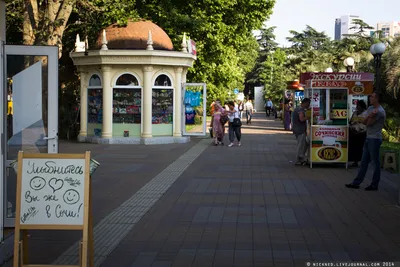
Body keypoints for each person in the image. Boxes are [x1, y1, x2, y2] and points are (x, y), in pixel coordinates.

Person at [346, 92, 386, 191]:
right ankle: (356, 182)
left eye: (372, 97)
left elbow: (369, 124)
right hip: (368, 138)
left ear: (377, 98)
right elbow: (363, 121)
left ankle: (374, 184)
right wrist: (370, 115)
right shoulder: (371, 109)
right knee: (363, 161)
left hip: (375, 139)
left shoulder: (380, 111)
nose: (370, 98)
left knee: (375, 162)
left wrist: (370, 117)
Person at [348, 100, 367, 167]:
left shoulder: (366, 113)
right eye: (357, 105)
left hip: (361, 133)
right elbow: (350, 121)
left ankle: (361, 161)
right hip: (353, 132)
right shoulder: (355, 113)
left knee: (361, 147)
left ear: (362, 106)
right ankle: (355, 161)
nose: (357, 107)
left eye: (359, 106)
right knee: (354, 147)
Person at [292, 98, 311, 165]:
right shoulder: (300, 110)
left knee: (303, 144)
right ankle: (298, 160)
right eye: (308, 104)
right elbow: (301, 119)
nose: (309, 105)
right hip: (300, 129)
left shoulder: (298, 108)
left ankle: (301, 158)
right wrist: (309, 117)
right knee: (300, 145)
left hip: (297, 129)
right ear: (305, 103)